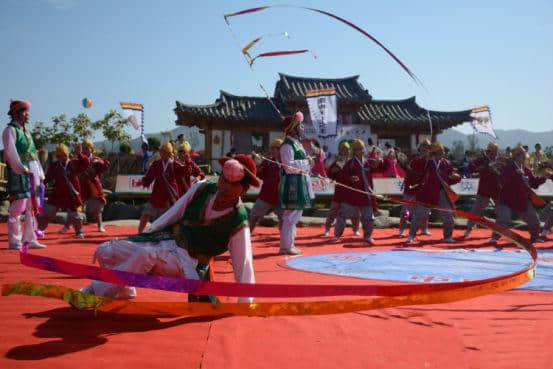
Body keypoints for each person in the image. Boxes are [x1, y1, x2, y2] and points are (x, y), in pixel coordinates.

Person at [79, 154, 259, 303]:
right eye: (223, 180)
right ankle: (125, 289)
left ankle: (95, 291)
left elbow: (243, 262)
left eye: (233, 184)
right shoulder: (202, 188)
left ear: (243, 190)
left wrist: (245, 301)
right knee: (105, 251)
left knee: (145, 255)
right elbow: (174, 212)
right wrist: (148, 235)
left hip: (190, 264)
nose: (225, 187)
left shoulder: (238, 220)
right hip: (165, 242)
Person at [2, 100, 46, 249]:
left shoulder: (27, 132)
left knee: (31, 207)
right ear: (16, 113)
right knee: (18, 207)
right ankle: (15, 241)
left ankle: (30, 238)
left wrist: (39, 171)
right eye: (25, 111)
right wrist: (20, 168)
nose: (28, 115)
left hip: (32, 171)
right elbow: (10, 152)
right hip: (20, 172)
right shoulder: (10, 131)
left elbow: (33, 154)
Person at [490, 146, 552, 245]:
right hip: (507, 199)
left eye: (524, 156)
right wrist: (514, 174)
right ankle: (494, 238)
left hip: (522, 199)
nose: (524, 158)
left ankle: (534, 238)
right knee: (503, 219)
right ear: (516, 156)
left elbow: (534, 183)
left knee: (534, 221)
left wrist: (544, 177)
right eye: (522, 155)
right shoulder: (508, 168)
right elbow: (502, 182)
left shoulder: (526, 169)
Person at [406, 141, 461, 244]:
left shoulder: (446, 163)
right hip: (427, 192)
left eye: (442, 152)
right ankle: (411, 235)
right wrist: (425, 156)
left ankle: (447, 236)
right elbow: (415, 166)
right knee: (418, 215)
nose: (442, 154)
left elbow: (450, 178)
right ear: (434, 153)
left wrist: (456, 178)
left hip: (441, 192)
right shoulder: (427, 161)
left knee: (448, 217)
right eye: (439, 152)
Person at [332, 139, 382, 244]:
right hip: (352, 195)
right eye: (358, 149)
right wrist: (350, 178)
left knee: (369, 218)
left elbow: (381, 167)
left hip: (365, 195)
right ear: (354, 151)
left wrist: (380, 161)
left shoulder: (368, 162)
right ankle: (337, 235)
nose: (360, 151)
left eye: (362, 149)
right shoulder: (350, 163)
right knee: (342, 215)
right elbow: (342, 176)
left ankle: (367, 236)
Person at [278, 111, 313, 255]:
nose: (303, 128)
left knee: (294, 215)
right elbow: (288, 166)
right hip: (293, 183)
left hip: (299, 181)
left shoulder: (296, 144)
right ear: (293, 128)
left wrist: (307, 163)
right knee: (291, 216)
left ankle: (288, 245)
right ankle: (286, 246)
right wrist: (306, 162)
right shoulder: (287, 146)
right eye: (301, 125)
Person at [39, 143, 89, 238]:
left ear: (68, 154)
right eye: (60, 156)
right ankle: (39, 231)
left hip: (72, 193)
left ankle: (79, 233)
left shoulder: (74, 163)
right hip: (58, 193)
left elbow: (86, 163)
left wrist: (79, 153)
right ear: (57, 156)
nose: (63, 158)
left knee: (75, 214)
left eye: (65, 155)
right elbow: (48, 177)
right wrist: (42, 183)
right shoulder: (55, 165)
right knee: (47, 213)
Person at [138, 142, 187, 233]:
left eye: (163, 151)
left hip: (168, 196)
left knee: (165, 218)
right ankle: (139, 233)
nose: (160, 153)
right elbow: (149, 177)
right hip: (156, 194)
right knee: (145, 214)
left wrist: (187, 161)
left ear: (168, 153)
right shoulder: (156, 164)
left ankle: (167, 235)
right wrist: (143, 182)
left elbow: (185, 171)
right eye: (160, 151)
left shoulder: (174, 164)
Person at [462, 142, 501, 238]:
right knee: (476, 209)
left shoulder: (500, 160)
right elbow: (470, 167)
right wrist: (481, 168)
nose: (493, 154)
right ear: (488, 151)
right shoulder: (482, 159)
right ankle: (468, 229)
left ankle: (499, 231)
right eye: (491, 152)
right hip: (484, 188)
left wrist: (497, 169)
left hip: (497, 188)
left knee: (501, 211)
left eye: (495, 152)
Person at [323, 141, 360, 237]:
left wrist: (354, 178)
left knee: (355, 212)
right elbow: (330, 175)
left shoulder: (353, 162)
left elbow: (357, 174)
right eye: (343, 149)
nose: (345, 151)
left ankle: (355, 229)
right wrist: (332, 172)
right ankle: (327, 229)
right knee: (333, 211)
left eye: (347, 149)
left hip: (351, 191)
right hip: (339, 191)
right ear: (340, 150)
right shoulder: (336, 162)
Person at [249, 138, 283, 233]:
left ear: (281, 149)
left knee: (285, 221)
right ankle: (245, 238)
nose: (272, 150)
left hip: (282, 197)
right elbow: (260, 175)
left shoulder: (288, 162)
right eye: (271, 148)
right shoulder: (268, 162)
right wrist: (257, 164)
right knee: (252, 217)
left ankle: (285, 242)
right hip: (266, 196)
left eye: (274, 148)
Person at [398, 140, 431, 237]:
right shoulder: (414, 158)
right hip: (410, 187)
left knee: (425, 211)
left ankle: (424, 229)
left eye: (427, 147)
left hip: (422, 189)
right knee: (405, 211)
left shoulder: (430, 160)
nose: (425, 148)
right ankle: (402, 230)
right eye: (423, 146)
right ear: (419, 148)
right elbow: (409, 168)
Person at [79, 139, 110, 233]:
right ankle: (76, 228)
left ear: (91, 149)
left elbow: (105, 167)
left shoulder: (96, 160)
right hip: (82, 185)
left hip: (94, 186)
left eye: (87, 148)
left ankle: (100, 226)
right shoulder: (79, 159)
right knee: (77, 207)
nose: (85, 150)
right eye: (83, 148)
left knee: (98, 208)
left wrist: (102, 163)